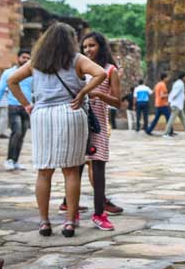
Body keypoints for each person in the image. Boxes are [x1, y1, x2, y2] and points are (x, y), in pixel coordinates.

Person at [8, 23, 106, 239]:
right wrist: (83, 93)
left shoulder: (37, 62)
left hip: (42, 115)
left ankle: (44, 222)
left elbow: (11, 80)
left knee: (44, 170)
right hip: (69, 112)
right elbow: (100, 74)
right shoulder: (76, 59)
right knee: (71, 171)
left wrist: (27, 104)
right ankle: (70, 222)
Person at [71, 32, 122, 231]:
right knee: (75, 166)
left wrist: (98, 93)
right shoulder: (79, 69)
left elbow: (118, 101)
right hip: (77, 120)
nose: (88, 50)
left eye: (91, 45)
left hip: (97, 122)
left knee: (98, 167)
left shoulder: (110, 71)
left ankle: (99, 213)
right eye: (84, 47)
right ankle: (72, 211)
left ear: (100, 46)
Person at [0, 51, 33, 171]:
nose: (25, 59)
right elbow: (0, 90)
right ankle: (9, 159)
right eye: (23, 57)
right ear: (18, 58)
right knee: (17, 132)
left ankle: (15, 161)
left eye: (28, 58)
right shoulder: (8, 73)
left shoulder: (32, 74)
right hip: (13, 107)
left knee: (22, 135)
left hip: (27, 108)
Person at [164, 71, 185, 137]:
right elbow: (174, 93)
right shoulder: (180, 84)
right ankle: (166, 133)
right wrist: (170, 101)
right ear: (183, 77)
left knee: (183, 119)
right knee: (171, 119)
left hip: (179, 105)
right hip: (176, 105)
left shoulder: (178, 83)